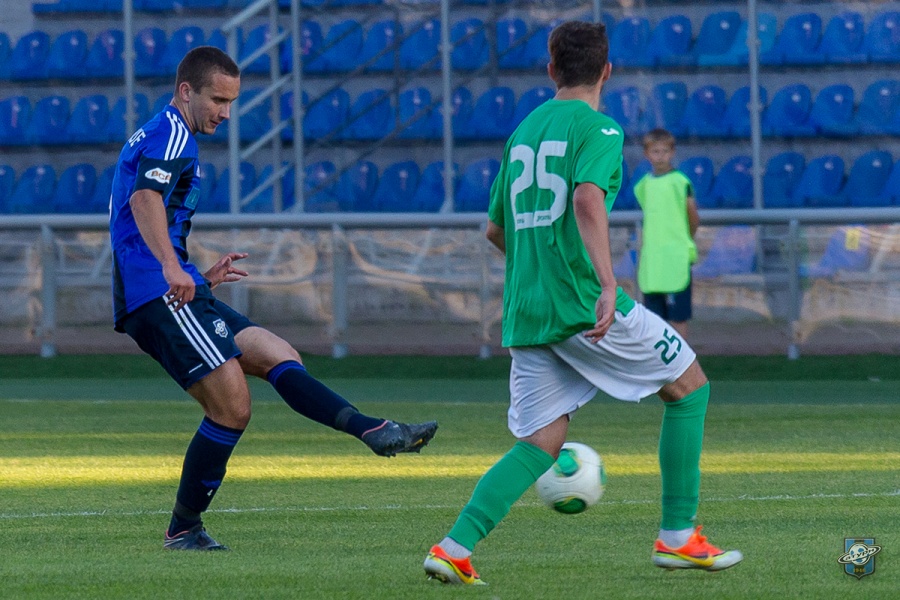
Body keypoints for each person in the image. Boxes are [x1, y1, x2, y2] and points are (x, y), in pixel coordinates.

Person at [422, 21, 741, 585]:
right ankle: (678, 537)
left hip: (529, 310)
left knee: (541, 442)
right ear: (607, 71)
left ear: (551, 70)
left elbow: (495, 229)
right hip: (581, 301)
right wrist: (608, 283)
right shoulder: (601, 129)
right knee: (689, 387)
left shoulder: (522, 132)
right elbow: (587, 200)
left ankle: (454, 547)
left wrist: (539, 269)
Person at [108, 46, 438, 551]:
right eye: (218, 100)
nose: (225, 113)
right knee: (232, 407)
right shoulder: (172, 133)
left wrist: (197, 275)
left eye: (231, 102)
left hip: (171, 284)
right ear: (185, 92)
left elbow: (147, 211)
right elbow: (143, 198)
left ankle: (372, 430)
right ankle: (184, 529)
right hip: (156, 292)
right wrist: (173, 268)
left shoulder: (164, 133)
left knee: (277, 353)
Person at [633, 128, 700, 339]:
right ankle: (658, 357)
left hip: (676, 257)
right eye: (655, 151)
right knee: (654, 317)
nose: (660, 156)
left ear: (672, 152)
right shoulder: (643, 185)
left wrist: (684, 239)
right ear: (647, 154)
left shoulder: (680, 182)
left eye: (664, 151)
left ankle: (682, 355)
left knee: (679, 315)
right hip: (653, 259)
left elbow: (692, 215)